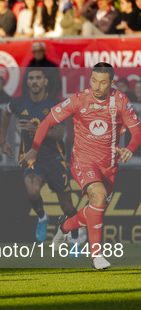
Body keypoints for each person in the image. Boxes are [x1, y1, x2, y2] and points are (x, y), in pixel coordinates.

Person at [20, 63, 141, 269]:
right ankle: (96, 256)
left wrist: (130, 146)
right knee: (99, 196)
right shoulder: (79, 100)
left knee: (94, 209)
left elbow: (136, 130)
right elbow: (48, 121)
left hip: (109, 166)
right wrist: (34, 149)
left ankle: (65, 226)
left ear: (112, 83)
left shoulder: (120, 101)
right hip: (83, 161)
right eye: (94, 80)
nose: (97, 86)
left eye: (103, 82)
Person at [0, 67, 83, 243]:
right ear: (28, 82)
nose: (35, 81)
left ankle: (75, 239)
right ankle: (42, 217)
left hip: (54, 159)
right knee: (32, 191)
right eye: (31, 78)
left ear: (45, 81)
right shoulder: (19, 103)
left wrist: (37, 129)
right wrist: (3, 140)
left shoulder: (54, 104)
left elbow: (60, 133)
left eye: (38, 78)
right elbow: (5, 112)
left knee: (67, 207)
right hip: (32, 157)